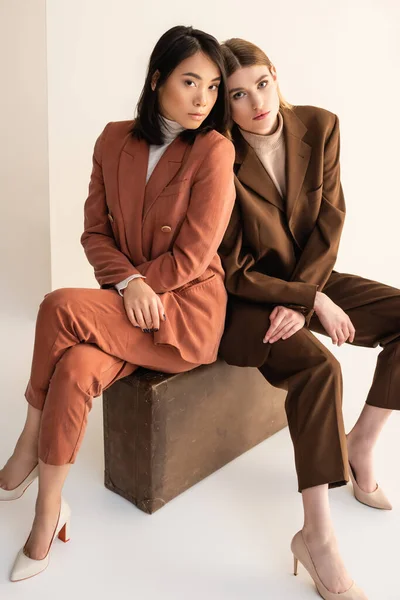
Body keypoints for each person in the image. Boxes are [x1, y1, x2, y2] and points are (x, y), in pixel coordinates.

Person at [0, 25, 235, 582]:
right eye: (189, 81)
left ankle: (28, 443)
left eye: (213, 87)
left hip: (185, 312)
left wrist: (142, 286)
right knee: (77, 367)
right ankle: (50, 510)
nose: (203, 99)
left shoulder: (215, 151)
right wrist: (128, 283)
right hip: (130, 301)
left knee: (59, 305)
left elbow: (196, 252)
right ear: (157, 80)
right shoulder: (113, 140)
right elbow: (93, 235)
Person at [218, 37, 399, 600]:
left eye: (262, 85)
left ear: (276, 74)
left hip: (308, 279)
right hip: (244, 303)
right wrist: (305, 301)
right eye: (238, 96)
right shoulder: (217, 155)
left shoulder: (320, 126)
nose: (256, 104)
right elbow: (231, 268)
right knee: (321, 370)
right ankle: (316, 537)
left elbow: (330, 221)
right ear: (225, 104)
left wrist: (308, 295)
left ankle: (362, 443)